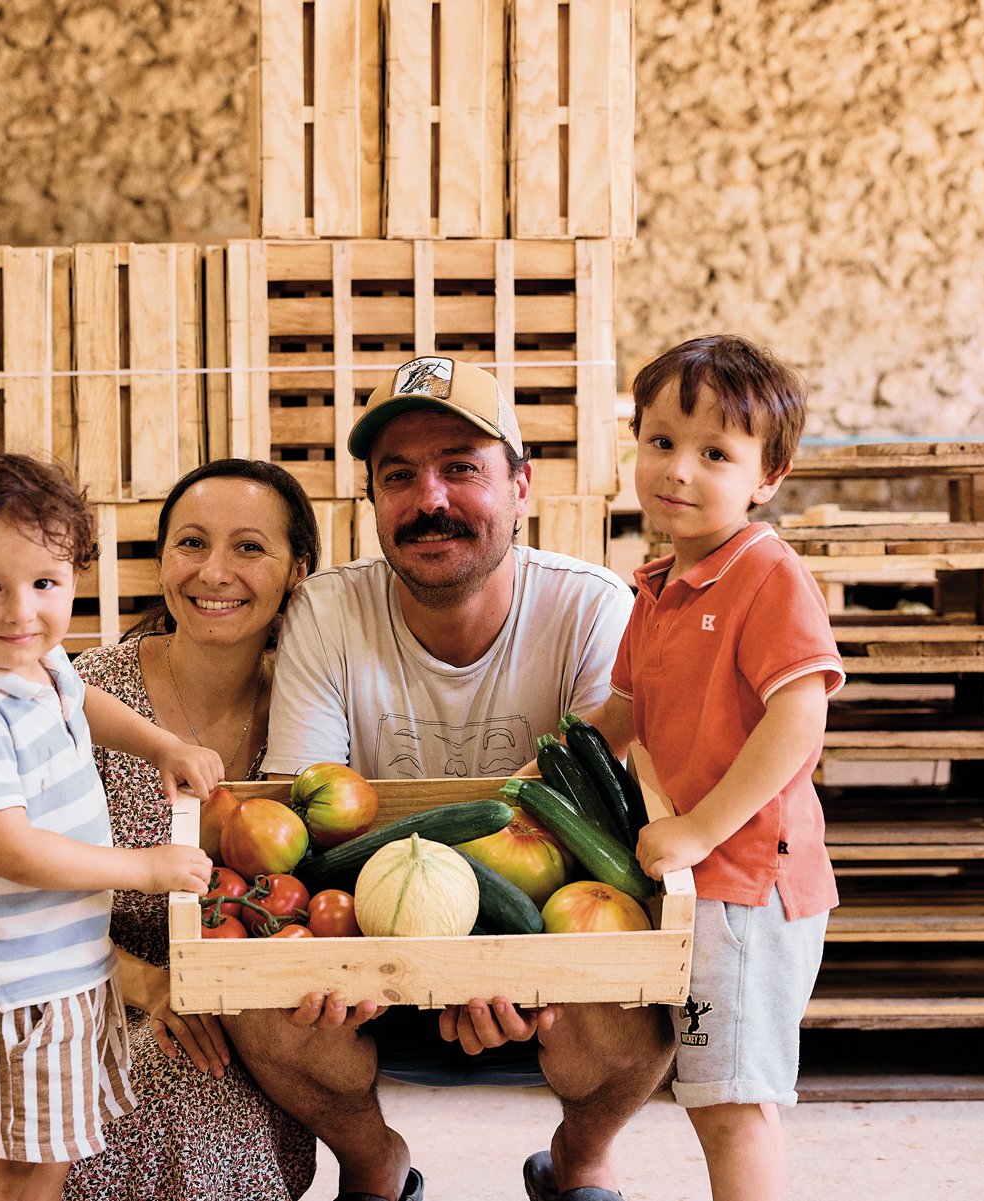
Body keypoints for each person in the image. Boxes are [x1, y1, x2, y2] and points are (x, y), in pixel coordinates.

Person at [222, 355, 675, 1201]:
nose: (428, 498)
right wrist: (374, 957)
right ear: (372, 503)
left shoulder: (594, 608)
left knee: (648, 982)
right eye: (399, 476)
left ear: (521, 488)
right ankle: (374, 1165)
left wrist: (507, 955)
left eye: (461, 467)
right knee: (258, 997)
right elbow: (306, 822)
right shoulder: (327, 609)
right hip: (367, 942)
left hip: (548, 949)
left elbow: (604, 824)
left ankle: (583, 1161)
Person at [0, 453, 219, 1201]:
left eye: (45, 583)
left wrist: (161, 743)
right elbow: (9, 848)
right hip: (12, 990)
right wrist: (144, 867)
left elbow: (86, 702)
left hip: (66, 973)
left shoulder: (39, 665)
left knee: (52, 1156)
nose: (21, 612)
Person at [582, 335, 845, 1201]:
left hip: (746, 884)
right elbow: (621, 712)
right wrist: (541, 772)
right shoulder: (660, 583)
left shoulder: (764, 572)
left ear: (767, 476)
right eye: (661, 442)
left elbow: (800, 714)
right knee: (713, 1095)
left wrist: (697, 828)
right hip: (702, 876)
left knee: (736, 1102)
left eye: (715, 454)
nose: (678, 470)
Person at [61, 459, 322, 1201]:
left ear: (296, 569)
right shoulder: (93, 691)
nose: (214, 572)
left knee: (209, 1069)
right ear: (162, 557)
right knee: (175, 1074)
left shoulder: (312, 708)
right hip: (101, 990)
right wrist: (150, 983)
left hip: (265, 1012)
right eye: (191, 543)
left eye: (249, 547)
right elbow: (27, 879)